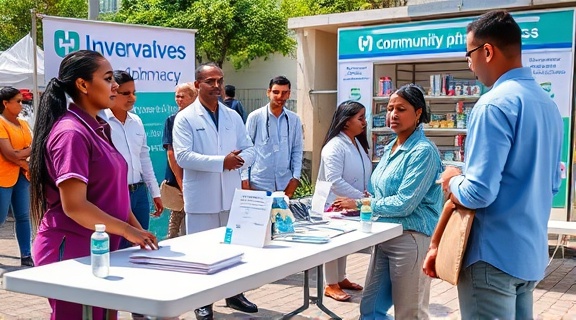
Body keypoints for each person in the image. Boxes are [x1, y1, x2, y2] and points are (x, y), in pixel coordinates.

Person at [423, 11, 563, 320]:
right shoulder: (548, 105)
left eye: (469, 54)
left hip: (492, 258)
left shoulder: (493, 104)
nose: (469, 64)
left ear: (487, 51)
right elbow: (553, 183)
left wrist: (452, 178)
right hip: (529, 255)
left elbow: (479, 193)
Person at [29, 50, 158, 320]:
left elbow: (113, 194)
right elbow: (75, 206)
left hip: (99, 246)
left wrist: (136, 230)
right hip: (72, 247)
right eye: (108, 78)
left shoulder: (98, 126)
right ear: (83, 85)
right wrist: (127, 231)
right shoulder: (71, 133)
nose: (115, 86)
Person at [335, 84, 442, 319]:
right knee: (371, 309)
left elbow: (405, 203)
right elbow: (379, 194)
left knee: (409, 312)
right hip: (384, 235)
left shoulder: (423, 151)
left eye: (401, 109)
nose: (393, 114)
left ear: (418, 113)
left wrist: (362, 204)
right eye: (390, 108)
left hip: (411, 237)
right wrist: (363, 204)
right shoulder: (390, 148)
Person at [172, 62, 257, 320]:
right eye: (210, 81)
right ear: (198, 85)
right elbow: (184, 157)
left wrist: (238, 162)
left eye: (220, 80)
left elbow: (250, 149)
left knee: (231, 248)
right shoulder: (184, 118)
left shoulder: (232, 115)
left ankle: (234, 294)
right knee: (203, 252)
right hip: (202, 198)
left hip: (230, 195)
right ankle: (203, 301)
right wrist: (222, 162)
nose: (217, 86)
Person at [317, 100, 372, 301]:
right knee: (334, 242)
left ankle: (340, 278)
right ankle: (330, 284)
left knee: (344, 241)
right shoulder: (334, 146)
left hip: (351, 203)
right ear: (346, 121)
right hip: (335, 204)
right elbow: (334, 181)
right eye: (360, 118)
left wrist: (362, 197)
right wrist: (362, 198)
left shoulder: (356, 142)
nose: (364, 122)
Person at [103, 70, 163, 249]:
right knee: (118, 248)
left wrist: (155, 192)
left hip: (139, 193)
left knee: (140, 247)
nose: (132, 97)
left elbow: (144, 158)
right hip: (115, 194)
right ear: (112, 92)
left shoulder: (137, 121)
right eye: (126, 93)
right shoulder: (101, 122)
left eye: (134, 92)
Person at [242, 76, 303, 198]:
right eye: (276, 92)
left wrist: (295, 178)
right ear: (268, 92)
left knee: (281, 217)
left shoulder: (293, 119)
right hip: (258, 183)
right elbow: (245, 149)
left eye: (284, 92)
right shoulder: (255, 117)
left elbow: (297, 150)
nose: (280, 96)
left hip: (284, 184)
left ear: (289, 94)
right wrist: (244, 179)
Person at [0, 86, 33, 267]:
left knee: (23, 216)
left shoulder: (24, 124)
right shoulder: (0, 123)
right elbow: (9, 155)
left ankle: (26, 255)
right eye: (18, 101)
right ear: (6, 103)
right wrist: (22, 158)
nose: (22, 104)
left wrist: (21, 155)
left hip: (22, 177)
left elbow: (32, 147)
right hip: (3, 177)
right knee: (1, 217)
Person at [163, 82, 197, 238]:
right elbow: (171, 153)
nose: (179, 99)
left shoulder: (201, 119)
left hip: (198, 174)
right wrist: (180, 180)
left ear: (193, 97)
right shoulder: (172, 120)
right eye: (177, 96)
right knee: (176, 220)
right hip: (179, 177)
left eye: (183, 96)